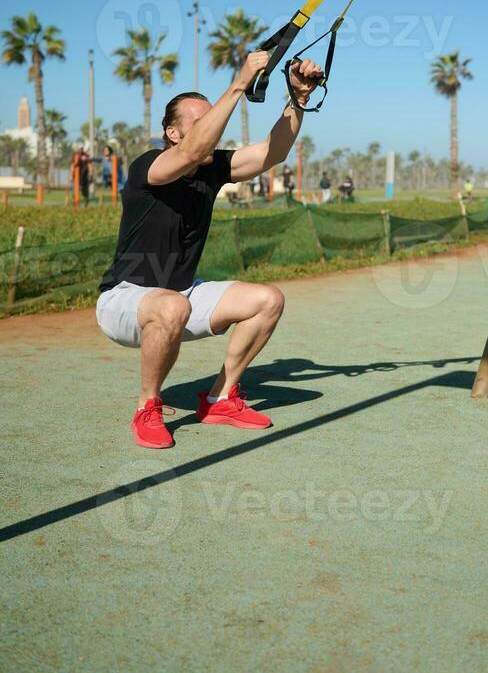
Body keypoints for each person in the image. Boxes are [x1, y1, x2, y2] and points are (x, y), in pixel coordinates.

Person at [95, 52, 323, 449]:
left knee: (267, 300)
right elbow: (188, 155)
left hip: (183, 294)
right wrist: (237, 85)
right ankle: (147, 405)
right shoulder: (149, 165)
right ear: (173, 133)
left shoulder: (213, 167)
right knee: (170, 306)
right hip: (125, 299)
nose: (212, 128)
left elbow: (273, 152)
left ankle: (219, 398)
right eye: (200, 122)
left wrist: (297, 100)